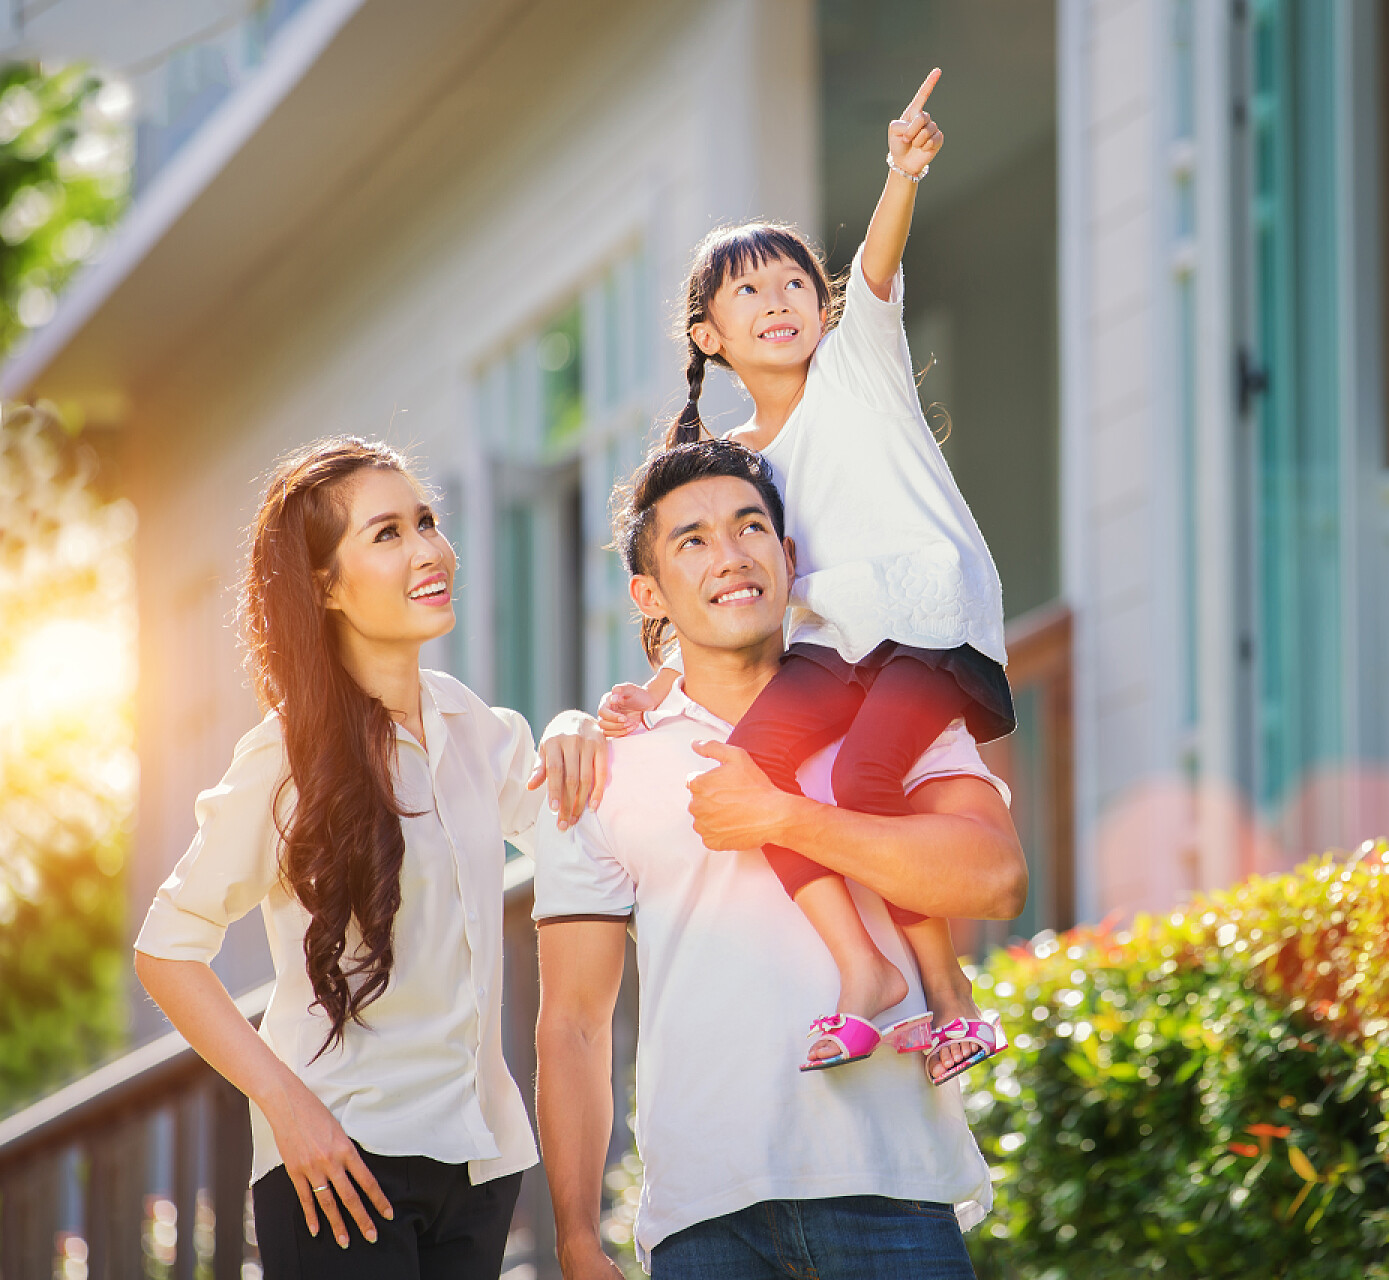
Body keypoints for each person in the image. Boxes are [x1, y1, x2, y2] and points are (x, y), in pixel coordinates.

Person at [600, 67, 1010, 1081]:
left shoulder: (856, 366)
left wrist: (898, 172)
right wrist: (651, 691)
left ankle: (948, 994)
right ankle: (859, 968)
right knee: (749, 767)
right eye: (748, 291)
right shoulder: (737, 461)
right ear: (711, 335)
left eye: (794, 283)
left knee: (867, 776)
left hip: (927, 626)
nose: (779, 301)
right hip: (840, 642)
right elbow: (738, 581)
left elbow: (874, 267)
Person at [534, 438, 1026, 1278]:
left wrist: (788, 817)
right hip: (703, 1220)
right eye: (692, 539)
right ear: (646, 594)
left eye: (750, 526)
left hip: (893, 1190)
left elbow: (996, 878)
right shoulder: (601, 767)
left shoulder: (896, 713)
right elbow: (575, 1023)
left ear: (789, 556)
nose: (730, 556)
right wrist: (577, 1237)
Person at [133, 437, 597, 1275]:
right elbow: (168, 948)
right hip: (340, 1168)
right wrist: (287, 1108)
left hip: (480, 1166)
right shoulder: (285, 757)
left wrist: (577, 726)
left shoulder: (474, 729)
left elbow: (585, 821)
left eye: (427, 521)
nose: (429, 550)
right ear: (325, 585)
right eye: (387, 534)